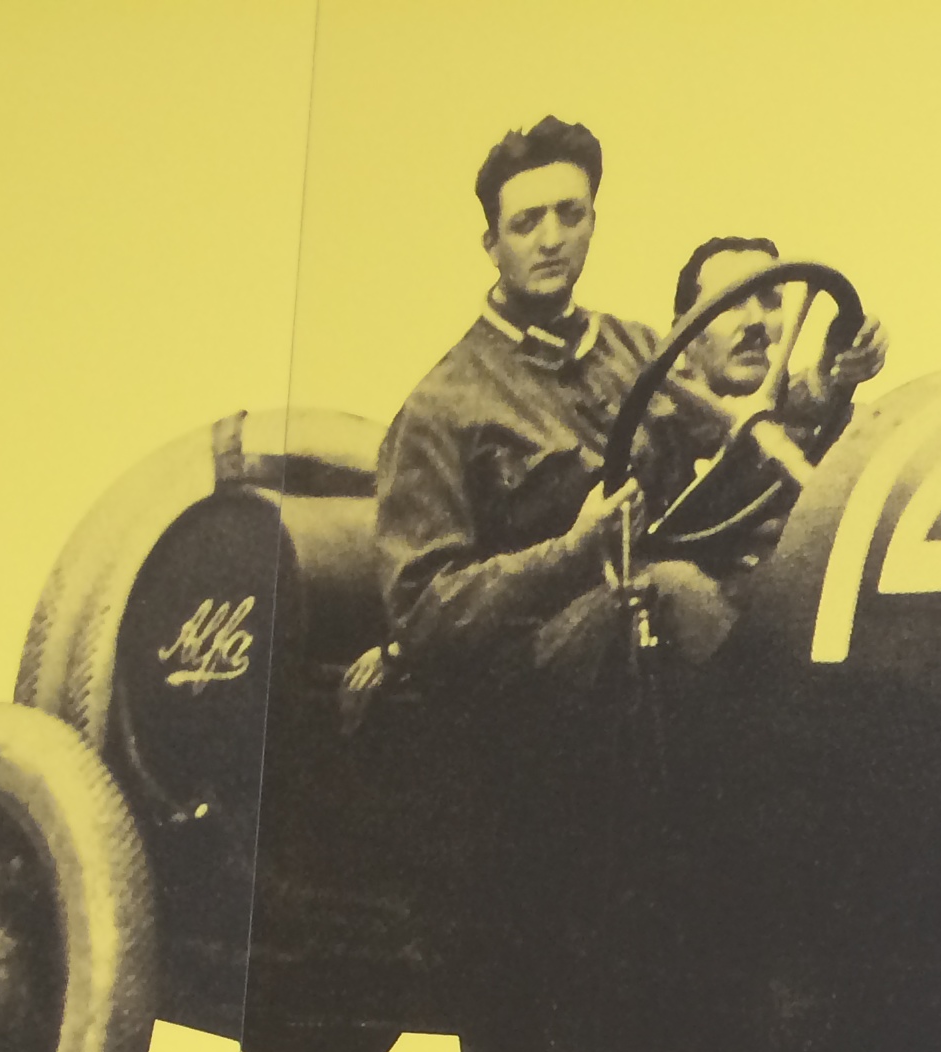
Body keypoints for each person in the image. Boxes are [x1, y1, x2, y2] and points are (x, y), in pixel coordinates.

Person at [373, 117, 734, 682]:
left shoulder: (637, 349)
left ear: (593, 222)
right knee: (670, 590)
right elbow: (422, 615)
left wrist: (830, 380)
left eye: (570, 215)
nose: (551, 240)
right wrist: (573, 551)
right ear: (492, 245)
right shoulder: (442, 405)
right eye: (525, 223)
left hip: (655, 637)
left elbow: (737, 435)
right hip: (526, 680)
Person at [643, 234, 889, 573]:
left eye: (771, 302)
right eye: (731, 303)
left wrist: (831, 372)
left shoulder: (817, 420)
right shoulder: (656, 438)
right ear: (683, 334)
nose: (756, 321)